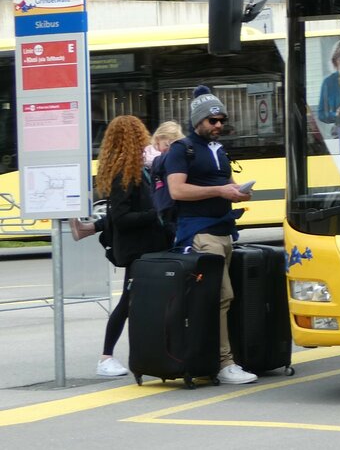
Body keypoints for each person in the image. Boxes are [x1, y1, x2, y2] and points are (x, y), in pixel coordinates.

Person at [164, 85, 256, 385]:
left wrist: (238, 192)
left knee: (221, 298)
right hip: (200, 232)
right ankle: (223, 363)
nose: (218, 125)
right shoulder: (182, 149)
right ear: (197, 121)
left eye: (221, 120)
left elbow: (226, 183)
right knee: (221, 297)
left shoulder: (218, 149)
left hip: (224, 231)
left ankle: (214, 359)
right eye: (211, 121)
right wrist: (220, 190)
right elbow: (177, 190)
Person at [91, 115, 173, 378]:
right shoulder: (125, 175)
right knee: (128, 302)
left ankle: (146, 353)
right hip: (138, 251)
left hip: (147, 248)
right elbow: (122, 218)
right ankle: (106, 357)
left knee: (138, 303)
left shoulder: (139, 170)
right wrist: (156, 213)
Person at [70, 119, 183, 242]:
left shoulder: (129, 168)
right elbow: (121, 217)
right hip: (146, 243)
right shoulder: (136, 170)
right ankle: (89, 228)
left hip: (141, 240)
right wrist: (157, 212)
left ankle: (89, 228)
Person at [317, 41, 340, 153]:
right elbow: (322, 114)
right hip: (338, 134)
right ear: (335, 62)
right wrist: (336, 114)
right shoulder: (328, 83)